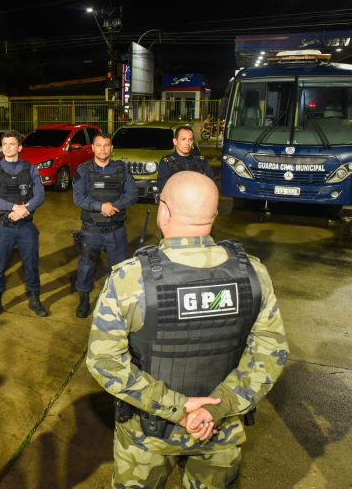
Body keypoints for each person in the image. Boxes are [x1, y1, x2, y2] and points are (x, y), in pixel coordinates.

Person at [86, 171, 289, 488]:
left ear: (163, 212)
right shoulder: (253, 273)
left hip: (147, 436)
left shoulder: (131, 278)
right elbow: (270, 354)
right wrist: (217, 408)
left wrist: (179, 409)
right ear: (215, 214)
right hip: (220, 431)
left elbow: (105, 362)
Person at [72, 130, 137, 318]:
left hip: (116, 230)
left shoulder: (122, 169)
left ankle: (118, 304)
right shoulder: (83, 170)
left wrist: (113, 207)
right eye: (99, 145)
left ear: (111, 148)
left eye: (106, 145)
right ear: (92, 148)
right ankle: (84, 300)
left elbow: (132, 194)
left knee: (120, 270)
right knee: (86, 267)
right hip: (91, 231)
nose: (102, 149)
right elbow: (79, 197)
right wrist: (101, 207)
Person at [0, 131, 48, 320]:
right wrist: (14, 207)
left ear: (19, 147)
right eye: (5, 144)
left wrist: (25, 210)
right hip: (3, 226)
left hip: (26, 226)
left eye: (12, 144)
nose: (8, 148)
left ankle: (34, 298)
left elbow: (40, 195)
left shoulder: (30, 168)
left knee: (31, 264)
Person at [156, 125, 213, 192]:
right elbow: (163, 187)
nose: (187, 143)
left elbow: (210, 184)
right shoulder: (167, 162)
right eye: (183, 139)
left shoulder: (201, 161)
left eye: (190, 139)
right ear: (175, 141)